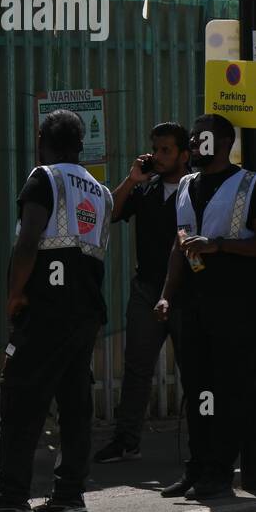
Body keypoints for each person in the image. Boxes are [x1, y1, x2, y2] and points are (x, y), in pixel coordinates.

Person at [0, 109, 112, 512]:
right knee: (74, 404)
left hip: (46, 309)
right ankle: (69, 498)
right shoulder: (101, 193)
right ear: (81, 145)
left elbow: (29, 240)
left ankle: (10, 502)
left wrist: (14, 293)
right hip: (85, 314)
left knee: (21, 400)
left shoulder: (43, 177)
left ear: (41, 138)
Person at [154, 114, 256, 499]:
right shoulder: (185, 185)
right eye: (195, 139)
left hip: (235, 306)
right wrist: (167, 293)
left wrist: (220, 245)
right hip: (193, 306)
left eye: (205, 139)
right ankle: (197, 468)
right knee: (199, 389)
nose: (197, 145)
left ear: (226, 142)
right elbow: (179, 248)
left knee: (229, 389)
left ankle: (219, 471)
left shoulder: (250, 184)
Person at [93, 123, 190, 464]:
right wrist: (133, 179)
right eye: (156, 150)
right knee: (136, 368)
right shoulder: (146, 190)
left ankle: (204, 446)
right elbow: (111, 213)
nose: (160, 157)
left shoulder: (196, 189)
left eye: (167, 151)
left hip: (186, 293)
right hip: (146, 289)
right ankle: (126, 440)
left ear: (184, 154)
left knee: (194, 369)